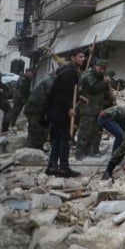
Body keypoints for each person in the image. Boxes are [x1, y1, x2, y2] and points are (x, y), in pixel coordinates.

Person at [45, 49, 86, 178]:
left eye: (84, 56)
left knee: (57, 139)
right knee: (65, 139)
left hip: (56, 110)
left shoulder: (67, 70)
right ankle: (64, 168)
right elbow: (63, 93)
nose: (83, 59)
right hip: (61, 111)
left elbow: (70, 91)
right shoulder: (70, 72)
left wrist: (80, 97)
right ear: (73, 58)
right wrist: (69, 108)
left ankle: (51, 166)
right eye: (80, 56)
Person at [75, 58, 114, 159]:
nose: (102, 70)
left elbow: (105, 92)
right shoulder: (88, 76)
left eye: (104, 69)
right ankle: (80, 152)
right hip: (88, 109)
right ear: (95, 67)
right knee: (85, 132)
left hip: (98, 109)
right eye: (100, 68)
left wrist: (109, 96)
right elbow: (94, 88)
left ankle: (91, 151)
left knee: (96, 132)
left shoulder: (102, 77)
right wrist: (105, 82)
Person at [24, 72, 54, 150]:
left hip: (37, 109)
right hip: (33, 109)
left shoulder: (48, 80)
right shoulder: (50, 81)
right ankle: (32, 149)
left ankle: (36, 147)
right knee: (35, 129)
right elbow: (50, 96)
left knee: (38, 128)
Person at [6, 64, 33, 131]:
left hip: (22, 98)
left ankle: (11, 124)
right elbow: (20, 90)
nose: (32, 74)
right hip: (19, 99)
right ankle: (11, 125)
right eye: (31, 72)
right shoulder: (23, 79)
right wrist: (22, 99)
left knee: (18, 111)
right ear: (27, 72)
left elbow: (26, 90)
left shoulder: (26, 79)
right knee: (16, 112)